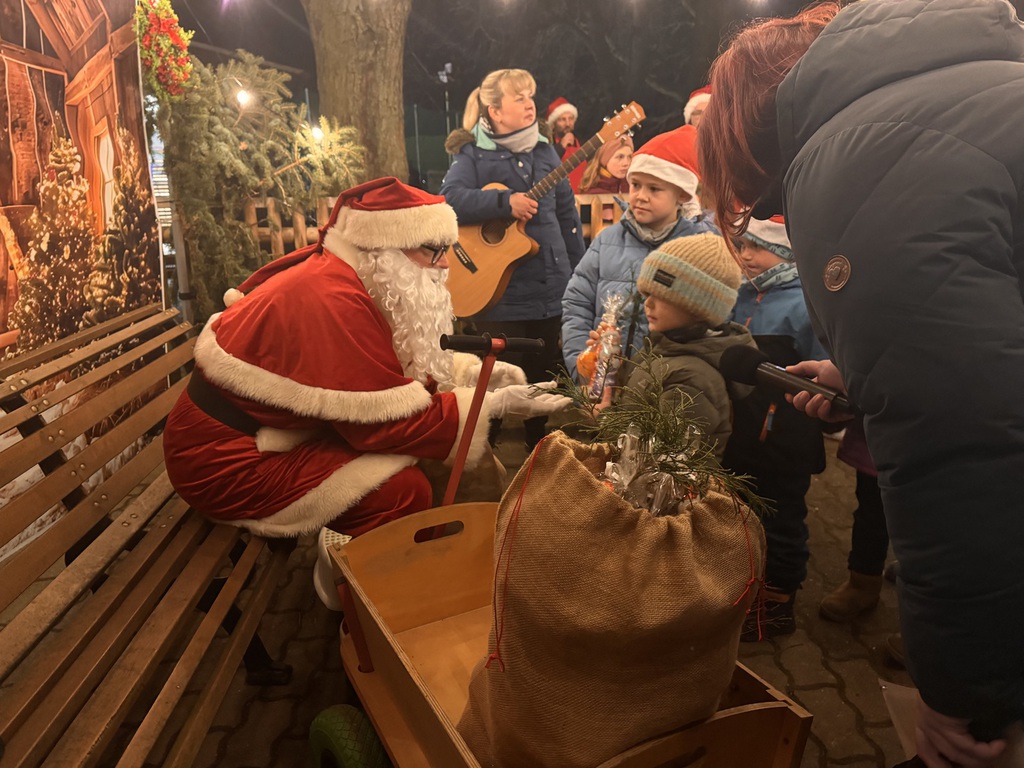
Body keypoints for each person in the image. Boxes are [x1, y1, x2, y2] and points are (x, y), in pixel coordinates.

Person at [698, 1, 1024, 764]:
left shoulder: (855, 156)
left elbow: (962, 449)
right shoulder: (970, 87)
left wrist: (966, 694)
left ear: (746, 130)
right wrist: (863, 370)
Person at [161, 177, 568, 603]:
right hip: (225, 462)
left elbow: (386, 366)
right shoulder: (331, 299)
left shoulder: (354, 276)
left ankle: (416, 566)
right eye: (432, 250)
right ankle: (356, 589)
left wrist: (472, 375)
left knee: (439, 461)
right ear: (383, 248)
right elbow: (384, 424)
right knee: (402, 490)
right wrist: (492, 405)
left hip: (266, 434)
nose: (445, 264)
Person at [441, 69, 585, 450]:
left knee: (544, 373)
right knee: (499, 375)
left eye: (530, 96)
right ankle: (486, 452)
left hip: (549, 282)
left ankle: (541, 450)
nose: (529, 104)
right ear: (495, 111)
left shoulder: (545, 151)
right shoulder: (473, 153)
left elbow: (567, 215)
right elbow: (450, 198)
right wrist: (505, 202)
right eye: (518, 97)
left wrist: (578, 273)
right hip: (497, 291)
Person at [720, 216, 827, 640]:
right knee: (742, 511)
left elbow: (821, 374)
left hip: (785, 439)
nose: (745, 255)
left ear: (785, 254)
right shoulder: (742, 294)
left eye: (757, 248)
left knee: (782, 518)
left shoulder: (805, 305)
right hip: (744, 435)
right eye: (742, 246)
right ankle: (744, 585)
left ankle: (779, 603)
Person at [562, 125, 716, 381]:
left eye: (654, 189)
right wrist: (582, 366)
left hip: (665, 386)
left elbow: (710, 320)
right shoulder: (606, 241)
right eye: (635, 185)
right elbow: (576, 303)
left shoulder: (697, 249)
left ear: (681, 194)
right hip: (601, 385)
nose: (641, 196)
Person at [614, 233, 755, 461]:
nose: (648, 303)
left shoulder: (692, 380)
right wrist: (611, 371)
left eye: (662, 295)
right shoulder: (664, 347)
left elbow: (662, 462)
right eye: (647, 293)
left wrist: (600, 415)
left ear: (697, 306)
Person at [819, 416, 891, 624]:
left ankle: (919, 585)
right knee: (872, 513)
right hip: (880, 439)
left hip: (932, 442)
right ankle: (863, 582)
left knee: (925, 520)